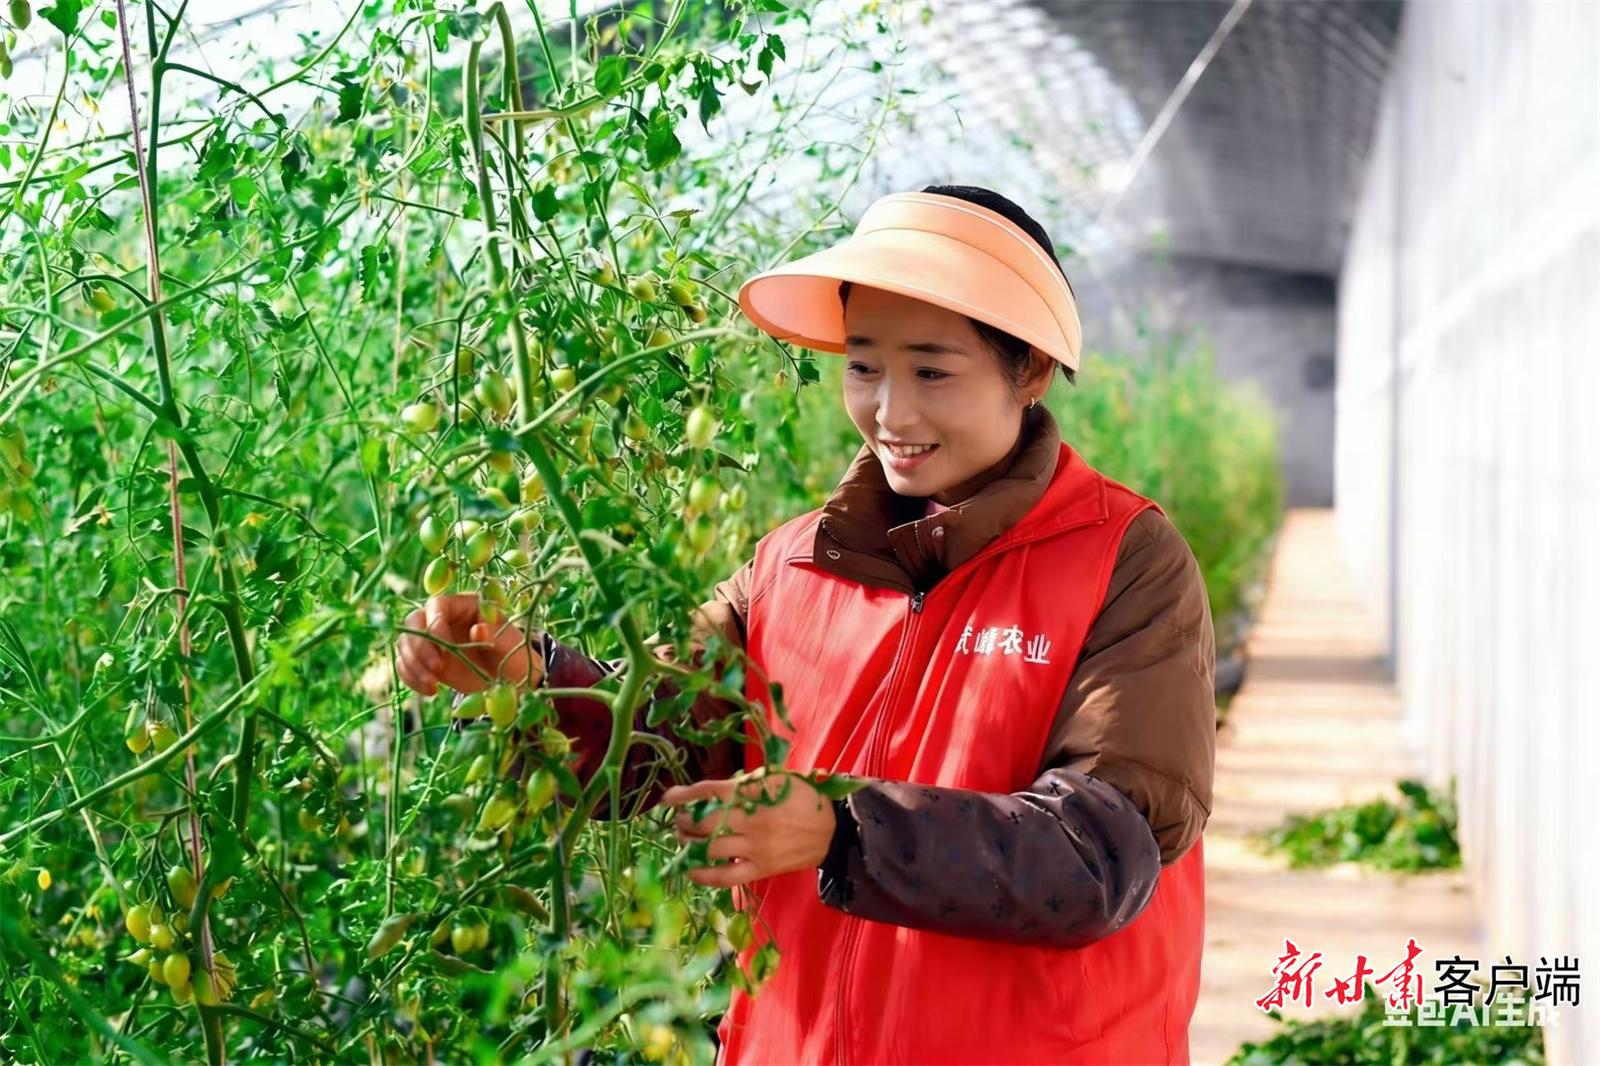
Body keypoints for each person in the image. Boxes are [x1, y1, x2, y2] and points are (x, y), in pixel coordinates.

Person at [396, 185, 1216, 1065]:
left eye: (932, 370)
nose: (891, 414)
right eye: (864, 368)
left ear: (1030, 371)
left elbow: (1099, 854)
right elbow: (674, 741)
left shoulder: (1122, 560)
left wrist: (845, 827)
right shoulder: (791, 565)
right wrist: (530, 682)